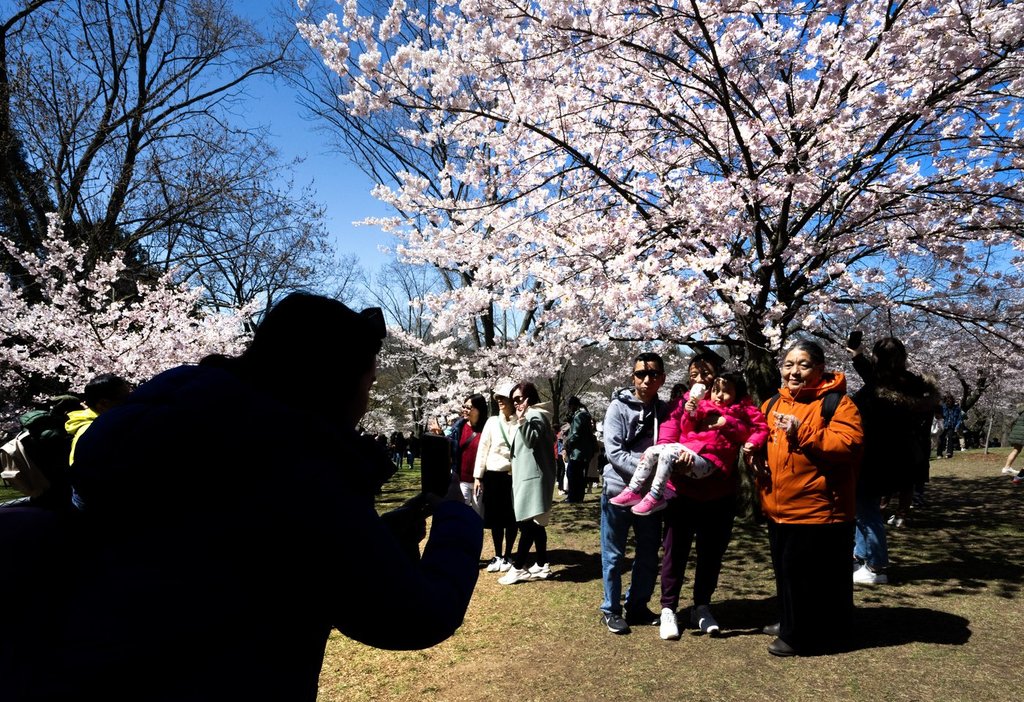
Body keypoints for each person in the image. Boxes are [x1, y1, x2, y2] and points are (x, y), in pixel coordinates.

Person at [32, 293, 483, 700]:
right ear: (333, 383)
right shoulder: (294, 466)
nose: (366, 405)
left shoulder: (169, 436)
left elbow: (258, 557)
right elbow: (412, 614)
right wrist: (457, 520)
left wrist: (380, 535)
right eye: (366, 387)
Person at [754, 340, 863, 657]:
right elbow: (760, 439)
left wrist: (802, 432)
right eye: (788, 364)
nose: (793, 371)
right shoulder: (773, 403)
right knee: (787, 571)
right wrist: (755, 457)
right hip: (778, 507)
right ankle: (791, 620)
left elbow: (848, 445)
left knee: (807, 576)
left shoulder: (837, 404)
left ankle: (799, 635)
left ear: (819, 369)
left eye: (802, 365)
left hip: (819, 509)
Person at [655, 357, 768, 641]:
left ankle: (702, 605)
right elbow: (668, 435)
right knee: (674, 551)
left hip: (720, 492)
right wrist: (674, 451)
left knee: (711, 553)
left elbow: (750, 431)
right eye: (695, 374)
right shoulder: (684, 404)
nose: (701, 379)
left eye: (707, 374)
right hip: (682, 491)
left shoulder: (736, 407)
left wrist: (731, 427)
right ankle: (669, 608)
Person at [610, 371, 768, 517]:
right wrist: (690, 412)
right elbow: (687, 428)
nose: (719, 396)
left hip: (712, 460)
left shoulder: (744, 410)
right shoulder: (705, 406)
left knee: (667, 454)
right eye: (715, 390)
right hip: (692, 451)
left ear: (737, 393)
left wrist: (743, 435)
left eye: (725, 391)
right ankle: (633, 490)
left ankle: (656, 496)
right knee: (652, 451)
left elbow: (759, 428)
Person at [599, 351, 670, 634]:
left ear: (662, 378)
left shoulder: (664, 411)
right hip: (617, 490)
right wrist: (649, 471)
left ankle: (638, 605)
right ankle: (610, 609)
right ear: (633, 377)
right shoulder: (617, 408)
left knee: (648, 554)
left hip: (651, 497)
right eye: (641, 373)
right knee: (613, 555)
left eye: (653, 374)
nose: (646, 379)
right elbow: (614, 451)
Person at [851, 337, 937, 553]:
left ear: (876, 357)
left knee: (867, 505)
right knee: (897, 488)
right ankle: (899, 516)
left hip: (873, 449)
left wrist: (856, 351)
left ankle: (872, 560)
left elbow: (863, 365)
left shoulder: (876, 381)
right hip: (904, 447)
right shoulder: (914, 383)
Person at [499, 381, 557, 584]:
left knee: (529, 525)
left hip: (534, 479)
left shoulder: (535, 414)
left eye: (519, 399)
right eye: (513, 400)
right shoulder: (533, 415)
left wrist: (522, 420)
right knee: (535, 524)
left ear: (529, 398)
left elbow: (532, 438)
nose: (515, 403)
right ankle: (542, 564)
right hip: (531, 477)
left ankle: (518, 567)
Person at [473, 381, 520, 572]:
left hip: (513, 475)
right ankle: (498, 555)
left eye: (503, 398)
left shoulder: (520, 422)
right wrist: (478, 476)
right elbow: (482, 449)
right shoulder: (492, 422)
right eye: (498, 398)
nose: (500, 401)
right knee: (495, 518)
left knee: (512, 517)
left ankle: (509, 554)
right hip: (493, 475)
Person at [65, 374, 132, 466]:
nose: (132, 401)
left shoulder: (105, 423)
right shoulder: (91, 434)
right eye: (125, 398)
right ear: (103, 404)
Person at [450, 393, 488, 515]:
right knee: (462, 514)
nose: (465, 410)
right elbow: (449, 446)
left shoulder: (487, 429)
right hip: (462, 480)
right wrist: (440, 434)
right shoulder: (458, 427)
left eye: (469, 407)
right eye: (464, 406)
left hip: (480, 481)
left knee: (478, 517)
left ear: (479, 410)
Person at [563, 395, 596, 503]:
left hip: (578, 451)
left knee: (572, 474)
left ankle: (573, 497)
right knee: (579, 476)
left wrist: (568, 444)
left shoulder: (579, 416)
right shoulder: (585, 415)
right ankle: (578, 497)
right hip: (585, 450)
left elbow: (575, 434)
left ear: (572, 406)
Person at [1000, 407, 1024, 482]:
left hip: (1017, 433)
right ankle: (1021, 475)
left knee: (1016, 450)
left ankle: (1006, 468)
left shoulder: (1022, 410)